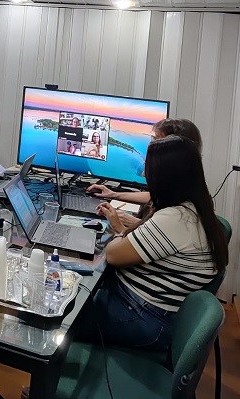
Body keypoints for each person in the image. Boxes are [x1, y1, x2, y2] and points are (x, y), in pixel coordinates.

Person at [90, 135, 228, 350]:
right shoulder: (195, 207)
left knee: (66, 315)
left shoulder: (176, 219)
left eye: (148, 168)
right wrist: (126, 231)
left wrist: (118, 228)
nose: (144, 174)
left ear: (166, 176)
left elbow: (113, 254)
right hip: (151, 311)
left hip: (143, 316)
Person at [87, 118, 203, 228]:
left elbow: (160, 232)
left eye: (158, 140)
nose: (151, 145)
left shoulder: (177, 213)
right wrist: (114, 194)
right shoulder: (189, 188)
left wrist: (129, 224)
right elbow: (153, 196)